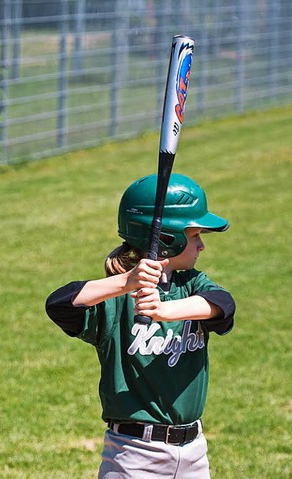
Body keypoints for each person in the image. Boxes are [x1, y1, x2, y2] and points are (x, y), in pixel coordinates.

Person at [45, 173, 236, 478]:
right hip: (134, 454)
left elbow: (223, 305)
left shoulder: (192, 284)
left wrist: (163, 310)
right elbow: (59, 304)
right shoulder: (116, 298)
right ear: (167, 238)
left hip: (194, 452)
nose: (201, 246)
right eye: (196, 234)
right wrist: (125, 282)